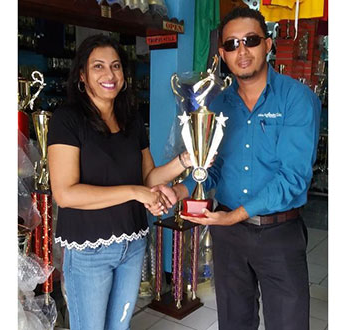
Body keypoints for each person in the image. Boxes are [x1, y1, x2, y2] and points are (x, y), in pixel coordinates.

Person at [160, 7, 321, 330]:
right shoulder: (218, 106)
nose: (242, 51)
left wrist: (235, 215)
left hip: (278, 233)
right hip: (229, 235)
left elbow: (293, 177)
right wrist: (181, 189)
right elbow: (213, 168)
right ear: (222, 53)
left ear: (268, 44)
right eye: (232, 44)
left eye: (250, 40)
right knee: (234, 322)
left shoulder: (296, 99)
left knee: (288, 323)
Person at [47, 34, 191, 330]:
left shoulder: (131, 119)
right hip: (89, 250)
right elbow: (65, 193)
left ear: (124, 76)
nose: (109, 74)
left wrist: (184, 161)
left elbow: (149, 177)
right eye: (98, 66)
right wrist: (135, 192)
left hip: (132, 243)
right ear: (83, 76)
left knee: (120, 327)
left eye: (115, 66)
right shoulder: (67, 119)